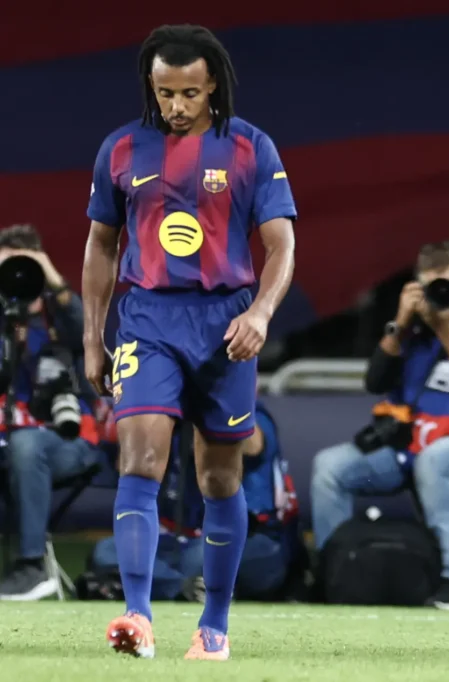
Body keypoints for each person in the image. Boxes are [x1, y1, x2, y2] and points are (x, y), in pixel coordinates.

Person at [81, 24, 297, 660]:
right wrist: (93, 337)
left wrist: (260, 313)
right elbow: (101, 245)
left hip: (225, 324)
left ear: (214, 86)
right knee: (140, 458)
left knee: (219, 477)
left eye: (190, 93)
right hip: (147, 318)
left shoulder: (251, 147)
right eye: (165, 92)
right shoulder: (121, 148)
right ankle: (138, 616)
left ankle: (214, 626)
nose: (177, 106)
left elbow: (282, 244)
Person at [310, 242, 449, 609]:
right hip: (406, 450)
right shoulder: (412, 337)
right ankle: (336, 574)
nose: (443, 292)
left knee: (435, 461)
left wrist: (442, 325)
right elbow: (374, 381)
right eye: (433, 284)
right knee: (329, 467)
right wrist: (401, 324)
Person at [90, 402, 301, 603]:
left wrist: (206, 404)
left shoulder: (249, 412)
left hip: (253, 541)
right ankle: (183, 588)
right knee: (109, 551)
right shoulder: (168, 417)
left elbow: (252, 446)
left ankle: (136, 583)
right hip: (181, 541)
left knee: (201, 559)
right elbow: (126, 468)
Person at [0, 225, 104, 600]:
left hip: (68, 441)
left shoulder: (59, 316)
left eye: (22, 266)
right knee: (20, 446)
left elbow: (86, 329)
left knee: (26, 444)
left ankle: (32, 567)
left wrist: (49, 276)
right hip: (9, 442)